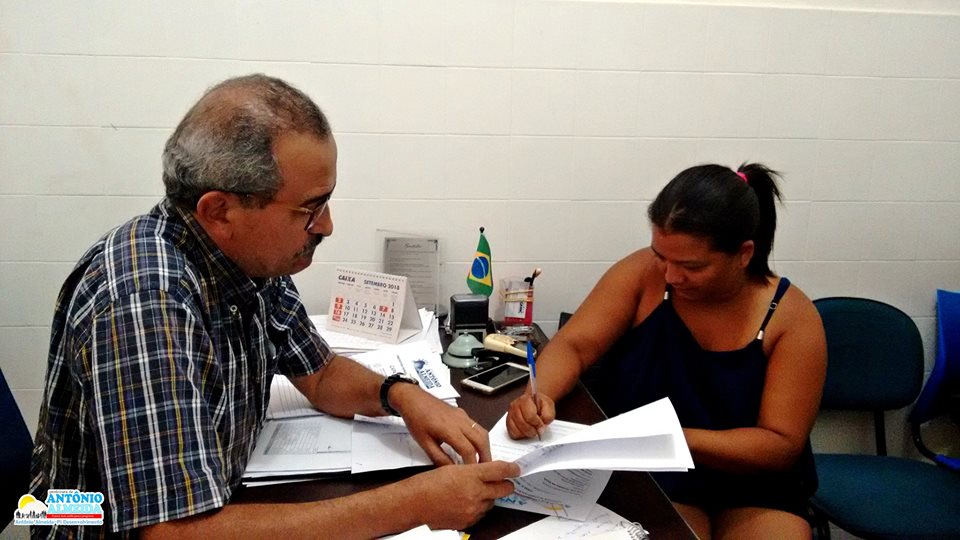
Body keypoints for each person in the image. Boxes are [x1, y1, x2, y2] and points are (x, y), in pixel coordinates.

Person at [29, 74, 518, 540]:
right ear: (219, 211)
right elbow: (174, 532)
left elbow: (320, 375)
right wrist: (415, 504)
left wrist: (402, 396)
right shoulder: (145, 301)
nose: (326, 226)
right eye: (309, 208)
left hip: (221, 496)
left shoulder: (249, 259)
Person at [507, 163, 827, 539]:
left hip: (753, 488)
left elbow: (779, 445)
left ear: (744, 254)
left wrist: (664, 436)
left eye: (692, 266)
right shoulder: (644, 274)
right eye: (661, 255)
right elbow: (573, 346)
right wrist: (539, 394)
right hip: (655, 475)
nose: (672, 276)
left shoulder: (791, 318)